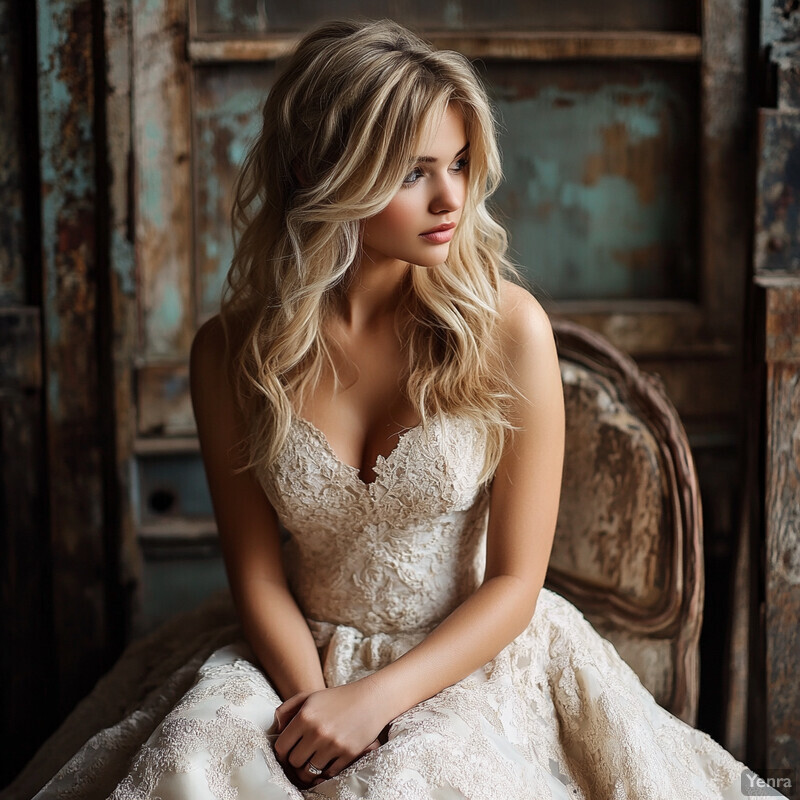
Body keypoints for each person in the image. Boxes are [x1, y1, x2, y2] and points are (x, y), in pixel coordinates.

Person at [25, 17, 784, 800]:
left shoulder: (509, 330)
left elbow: (516, 583)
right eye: (414, 172)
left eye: (459, 164)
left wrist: (374, 703)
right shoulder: (232, 351)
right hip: (291, 652)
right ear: (329, 172)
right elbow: (256, 577)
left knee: (410, 783)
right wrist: (313, 706)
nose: (450, 197)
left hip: (468, 658)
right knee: (195, 752)